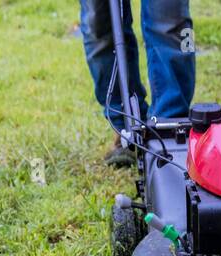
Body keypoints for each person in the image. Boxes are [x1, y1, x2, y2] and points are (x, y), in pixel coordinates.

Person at [78, 0, 197, 165]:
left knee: (172, 22)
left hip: (170, 125)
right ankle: (126, 127)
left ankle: (169, 129)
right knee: (98, 26)